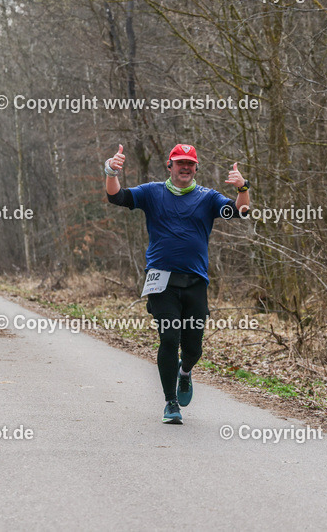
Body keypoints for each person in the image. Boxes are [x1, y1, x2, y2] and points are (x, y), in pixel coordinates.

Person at [104, 143, 249, 424]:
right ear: (169, 166)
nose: (185, 167)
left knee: (193, 348)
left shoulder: (208, 197)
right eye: (179, 163)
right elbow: (117, 197)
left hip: (195, 282)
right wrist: (111, 171)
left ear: (196, 168)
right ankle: (171, 403)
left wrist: (243, 189)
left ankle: (185, 372)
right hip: (162, 280)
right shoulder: (152, 192)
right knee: (169, 338)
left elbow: (240, 212)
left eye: (190, 164)